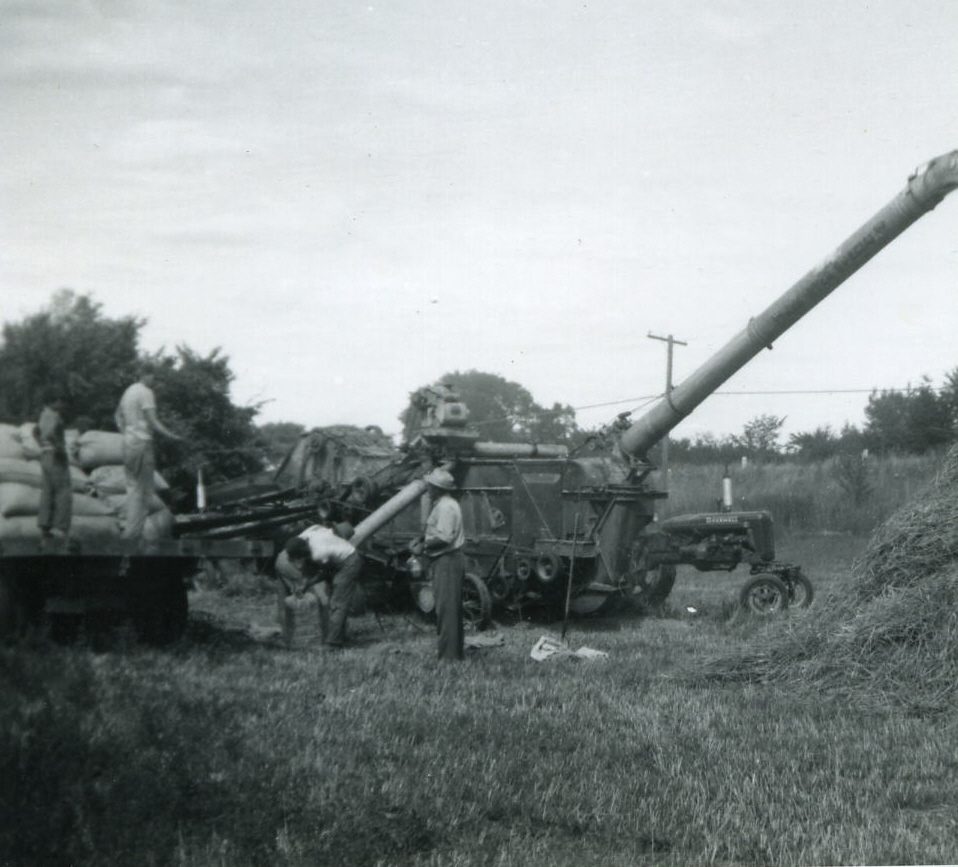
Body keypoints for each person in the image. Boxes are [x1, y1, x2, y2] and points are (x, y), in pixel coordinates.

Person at [114, 367, 183, 540]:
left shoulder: (129, 391)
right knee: (144, 493)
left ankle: (130, 532)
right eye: (153, 376)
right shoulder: (146, 392)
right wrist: (173, 436)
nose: (154, 380)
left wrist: (127, 433)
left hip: (128, 444)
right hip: (142, 444)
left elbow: (117, 416)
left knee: (133, 489)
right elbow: (153, 421)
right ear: (146, 375)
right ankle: (131, 537)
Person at [279, 522, 362, 649]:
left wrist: (307, 584)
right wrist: (305, 585)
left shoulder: (319, 553)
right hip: (336, 556)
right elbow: (317, 527)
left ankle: (333, 643)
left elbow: (324, 573)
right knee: (332, 599)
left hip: (349, 562)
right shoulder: (304, 536)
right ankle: (339, 635)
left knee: (338, 602)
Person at [416, 467, 465, 661]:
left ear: (437, 488)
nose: (427, 488)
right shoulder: (446, 504)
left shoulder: (445, 507)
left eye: (430, 485)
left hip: (447, 560)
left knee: (446, 609)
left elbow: (444, 537)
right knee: (450, 608)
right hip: (448, 560)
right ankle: (453, 653)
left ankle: (448, 658)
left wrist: (423, 545)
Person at [35, 392, 72, 542]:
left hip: (45, 455)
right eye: (61, 401)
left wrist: (41, 444)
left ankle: (45, 528)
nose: (63, 405)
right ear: (54, 401)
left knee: (47, 492)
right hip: (56, 456)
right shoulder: (54, 415)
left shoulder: (43, 414)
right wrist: (59, 448)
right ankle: (60, 529)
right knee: (63, 491)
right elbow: (50, 434)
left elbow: (35, 432)